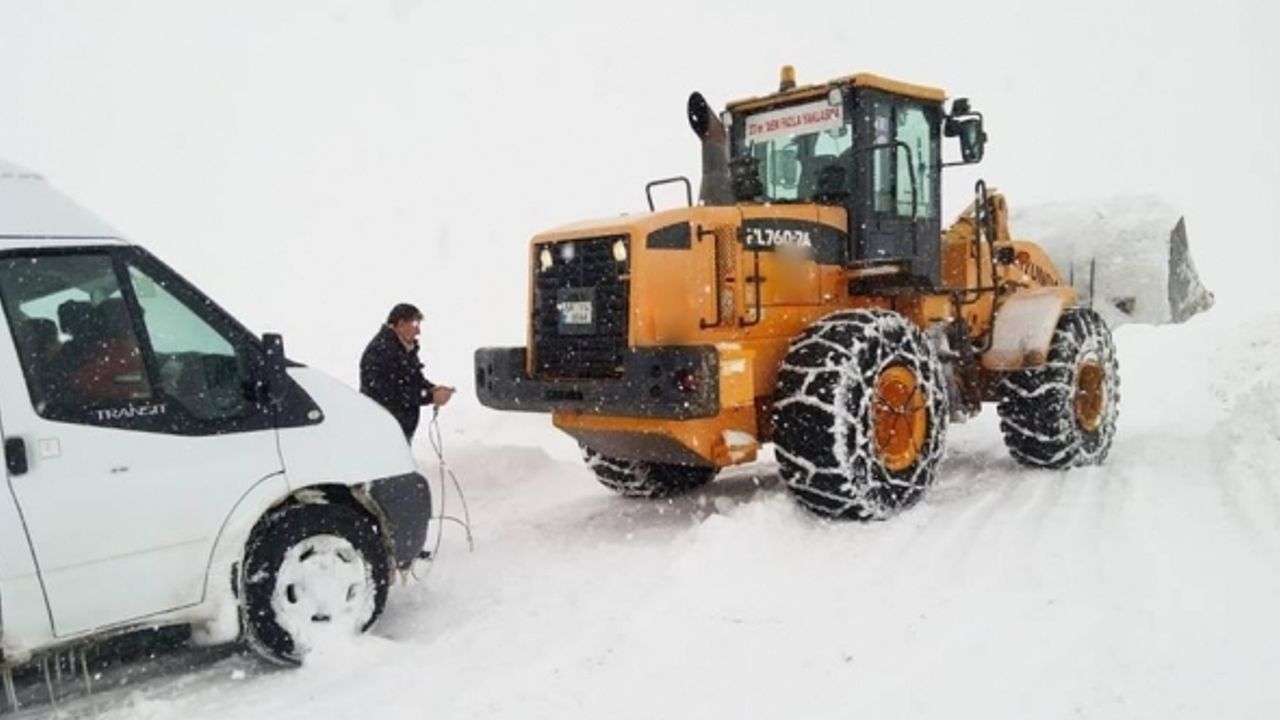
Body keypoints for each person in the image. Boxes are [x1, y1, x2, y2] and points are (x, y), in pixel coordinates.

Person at [360, 303, 454, 441]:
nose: (418, 331)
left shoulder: (403, 348)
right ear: (401, 324)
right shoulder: (381, 351)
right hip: (382, 430)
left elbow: (413, 379)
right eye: (415, 325)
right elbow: (392, 393)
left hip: (397, 429)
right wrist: (429, 396)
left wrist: (432, 389)